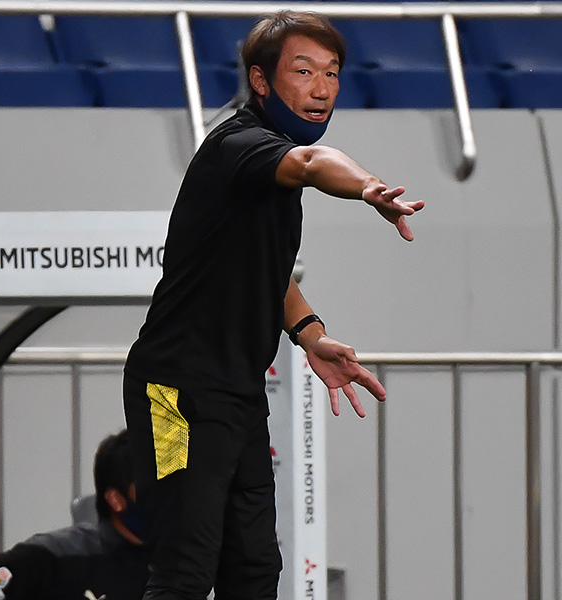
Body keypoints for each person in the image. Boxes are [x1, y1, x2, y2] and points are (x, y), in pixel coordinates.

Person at [122, 10, 425, 600]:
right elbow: (314, 163)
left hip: (237, 393)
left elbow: (265, 270)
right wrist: (368, 187)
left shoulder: (268, 170)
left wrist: (311, 334)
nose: (322, 88)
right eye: (304, 71)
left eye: (332, 73)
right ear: (260, 81)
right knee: (184, 572)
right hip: (175, 391)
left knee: (255, 572)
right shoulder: (238, 146)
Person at [0, 430, 149, 600]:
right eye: (153, 488)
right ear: (115, 500)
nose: (164, 500)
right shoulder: (63, 556)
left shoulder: (167, 563)